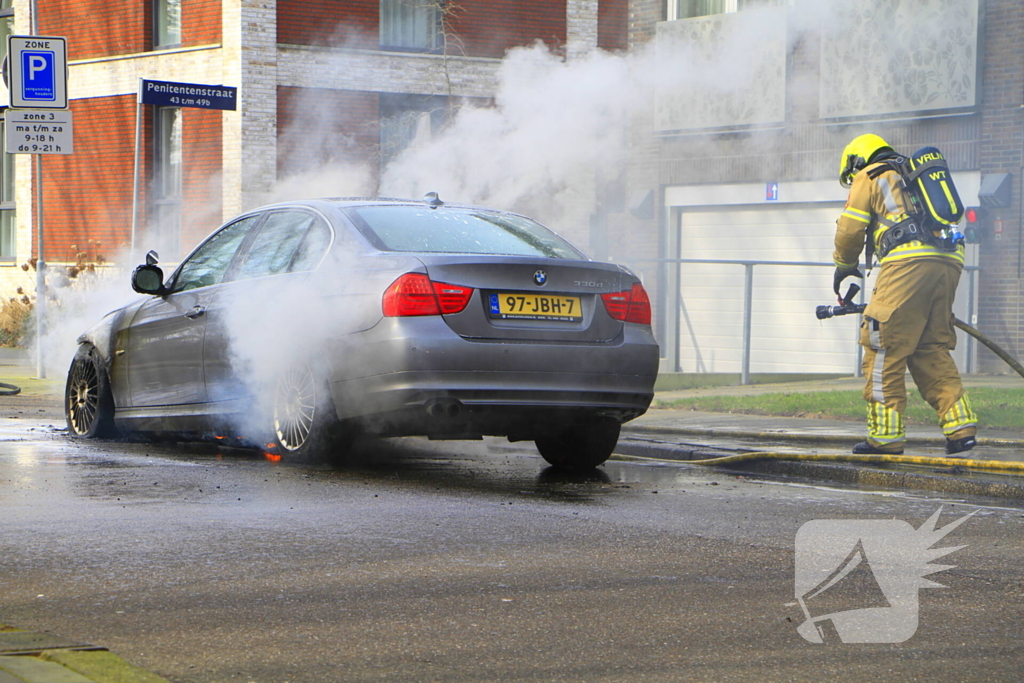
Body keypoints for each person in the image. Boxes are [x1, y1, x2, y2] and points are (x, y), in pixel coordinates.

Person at [833, 133, 978, 456]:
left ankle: (884, 438)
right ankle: (961, 429)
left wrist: (843, 265)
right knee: (930, 347)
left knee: (883, 343)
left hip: (906, 262)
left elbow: (851, 229)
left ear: (857, 160)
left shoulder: (870, 175)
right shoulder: (913, 176)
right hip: (948, 261)